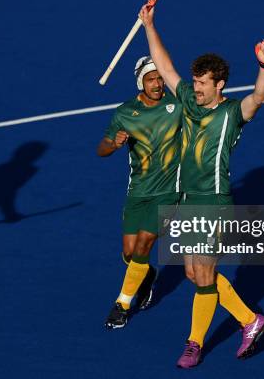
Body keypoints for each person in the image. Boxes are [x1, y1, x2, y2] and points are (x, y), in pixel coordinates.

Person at [139, 4, 264, 367]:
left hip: (212, 202)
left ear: (220, 85)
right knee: (194, 272)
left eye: (202, 84)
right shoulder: (188, 100)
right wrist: (149, 25)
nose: (195, 88)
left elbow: (259, 98)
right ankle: (251, 320)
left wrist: (263, 67)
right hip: (186, 200)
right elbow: (165, 66)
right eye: (195, 82)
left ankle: (195, 343)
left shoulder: (232, 114)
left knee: (203, 273)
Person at [98, 56, 182, 329]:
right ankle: (145, 275)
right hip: (138, 192)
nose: (158, 84)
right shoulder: (124, 113)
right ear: (140, 82)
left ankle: (121, 304)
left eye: (159, 78)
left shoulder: (177, 105)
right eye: (151, 79)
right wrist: (115, 144)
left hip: (169, 192)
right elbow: (102, 149)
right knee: (130, 254)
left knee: (145, 243)